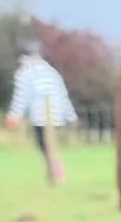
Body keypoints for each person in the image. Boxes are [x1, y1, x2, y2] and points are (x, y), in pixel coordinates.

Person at [6, 40, 75, 184]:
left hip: (40, 116)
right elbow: (63, 94)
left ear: (25, 57)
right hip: (57, 116)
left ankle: (56, 174)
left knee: (45, 146)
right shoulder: (51, 72)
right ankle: (54, 173)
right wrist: (70, 115)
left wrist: (14, 115)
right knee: (51, 145)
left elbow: (22, 96)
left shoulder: (25, 73)